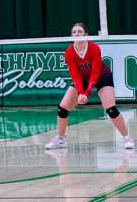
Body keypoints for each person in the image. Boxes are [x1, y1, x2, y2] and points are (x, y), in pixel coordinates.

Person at [45, 22, 134, 150]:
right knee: (62, 109)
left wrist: (86, 93)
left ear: (86, 35)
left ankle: (127, 138)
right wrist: (81, 92)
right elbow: (75, 75)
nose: (77, 34)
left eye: (80, 32)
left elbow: (95, 72)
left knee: (110, 109)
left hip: (102, 77)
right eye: (74, 32)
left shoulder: (94, 48)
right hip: (82, 79)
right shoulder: (69, 52)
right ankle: (60, 139)